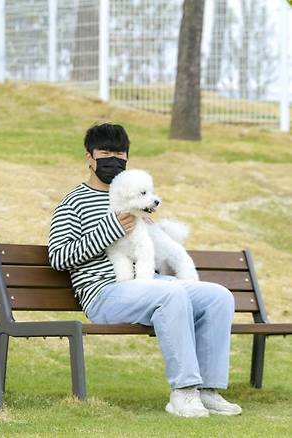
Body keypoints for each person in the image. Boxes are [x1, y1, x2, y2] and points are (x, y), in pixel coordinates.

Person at [48, 123, 242, 418]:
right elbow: (59, 257)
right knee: (171, 293)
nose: (113, 158)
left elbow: (152, 246)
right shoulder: (73, 202)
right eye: (105, 152)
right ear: (89, 157)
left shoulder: (134, 195)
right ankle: (184, 393)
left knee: (218, 297)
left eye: (120, 153)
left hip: (147, 283)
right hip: (103, 294)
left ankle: (207, 391)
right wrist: (110, 230)